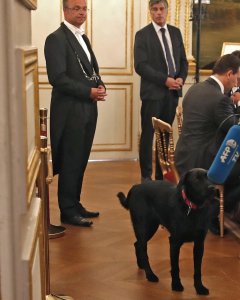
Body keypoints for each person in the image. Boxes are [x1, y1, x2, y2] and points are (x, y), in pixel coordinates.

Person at [44, 0, 107, 227]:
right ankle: (67, 210)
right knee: (71, 160)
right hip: (70, 111)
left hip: (88, 108)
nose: (81, 12)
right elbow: (57, 78)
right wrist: (88, 91)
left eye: (83, 9)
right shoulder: (56, 39)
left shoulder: (83, 37)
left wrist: (100, 86)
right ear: (65, 11)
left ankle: (75, 202)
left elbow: (92, 71)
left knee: (80, 159)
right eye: (76, 8)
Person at [175, 53, 240, 234]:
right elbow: (235, 128)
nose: (237, 83)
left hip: (184, 155)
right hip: (202, 163)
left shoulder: (195, 89)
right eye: (237, 77)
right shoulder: (219, 99)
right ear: (229, 74)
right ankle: (213, 211)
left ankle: (224, 208)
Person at [134, 0, 188, 183]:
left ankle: (161, 175)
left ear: (167, 10)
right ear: (150, 12)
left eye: (161, 9)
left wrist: (181, 78)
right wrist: (165, 80)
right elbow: (140, 66)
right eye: (154, 9)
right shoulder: (142, 35)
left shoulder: (175, 32)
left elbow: (183, 61)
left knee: (165, 135)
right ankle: (146, 176)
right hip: (153, 94)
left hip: (172, 94)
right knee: (149, 135)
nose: (158, 13)